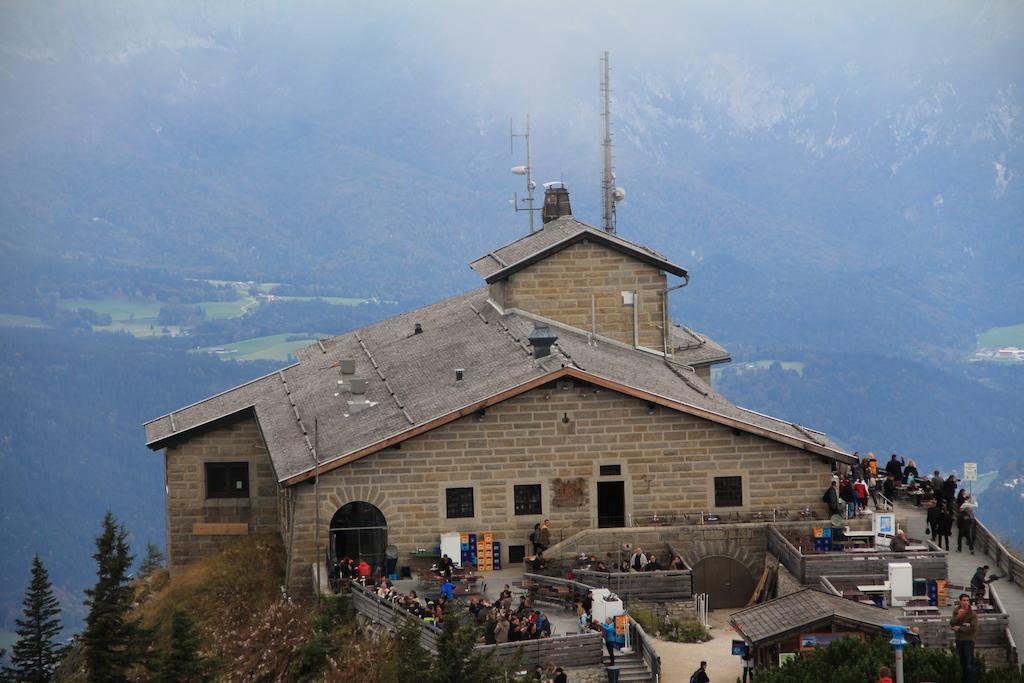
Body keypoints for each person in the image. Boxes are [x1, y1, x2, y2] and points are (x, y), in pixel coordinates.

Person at [950, 593, 978, 683]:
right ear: (960, 601)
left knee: (969, 663)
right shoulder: (956, 611)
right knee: (961, 662)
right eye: (964, 600)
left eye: (967, 600)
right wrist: (958, 616)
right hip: (959, 640)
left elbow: (973, 628)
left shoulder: (972, 614)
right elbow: (952, 623)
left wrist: (960, 628)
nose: (966, 602)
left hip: (968, 640)